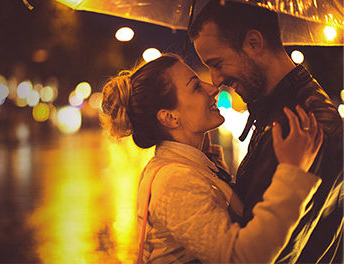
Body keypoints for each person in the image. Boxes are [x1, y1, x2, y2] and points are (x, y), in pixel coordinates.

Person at [100, 54, 323, 263]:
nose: (213, 88)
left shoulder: (191, 167)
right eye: (196, 87)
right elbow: (241, 256)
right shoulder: (174, 181)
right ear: (170, 117)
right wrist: (294, 173)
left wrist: (213, 167)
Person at [188, 1, 343, 263]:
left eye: (217, 63)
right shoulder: (280, 109)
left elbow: (271, 249)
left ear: (253, 43)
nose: (214, 80)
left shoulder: (298, 124)